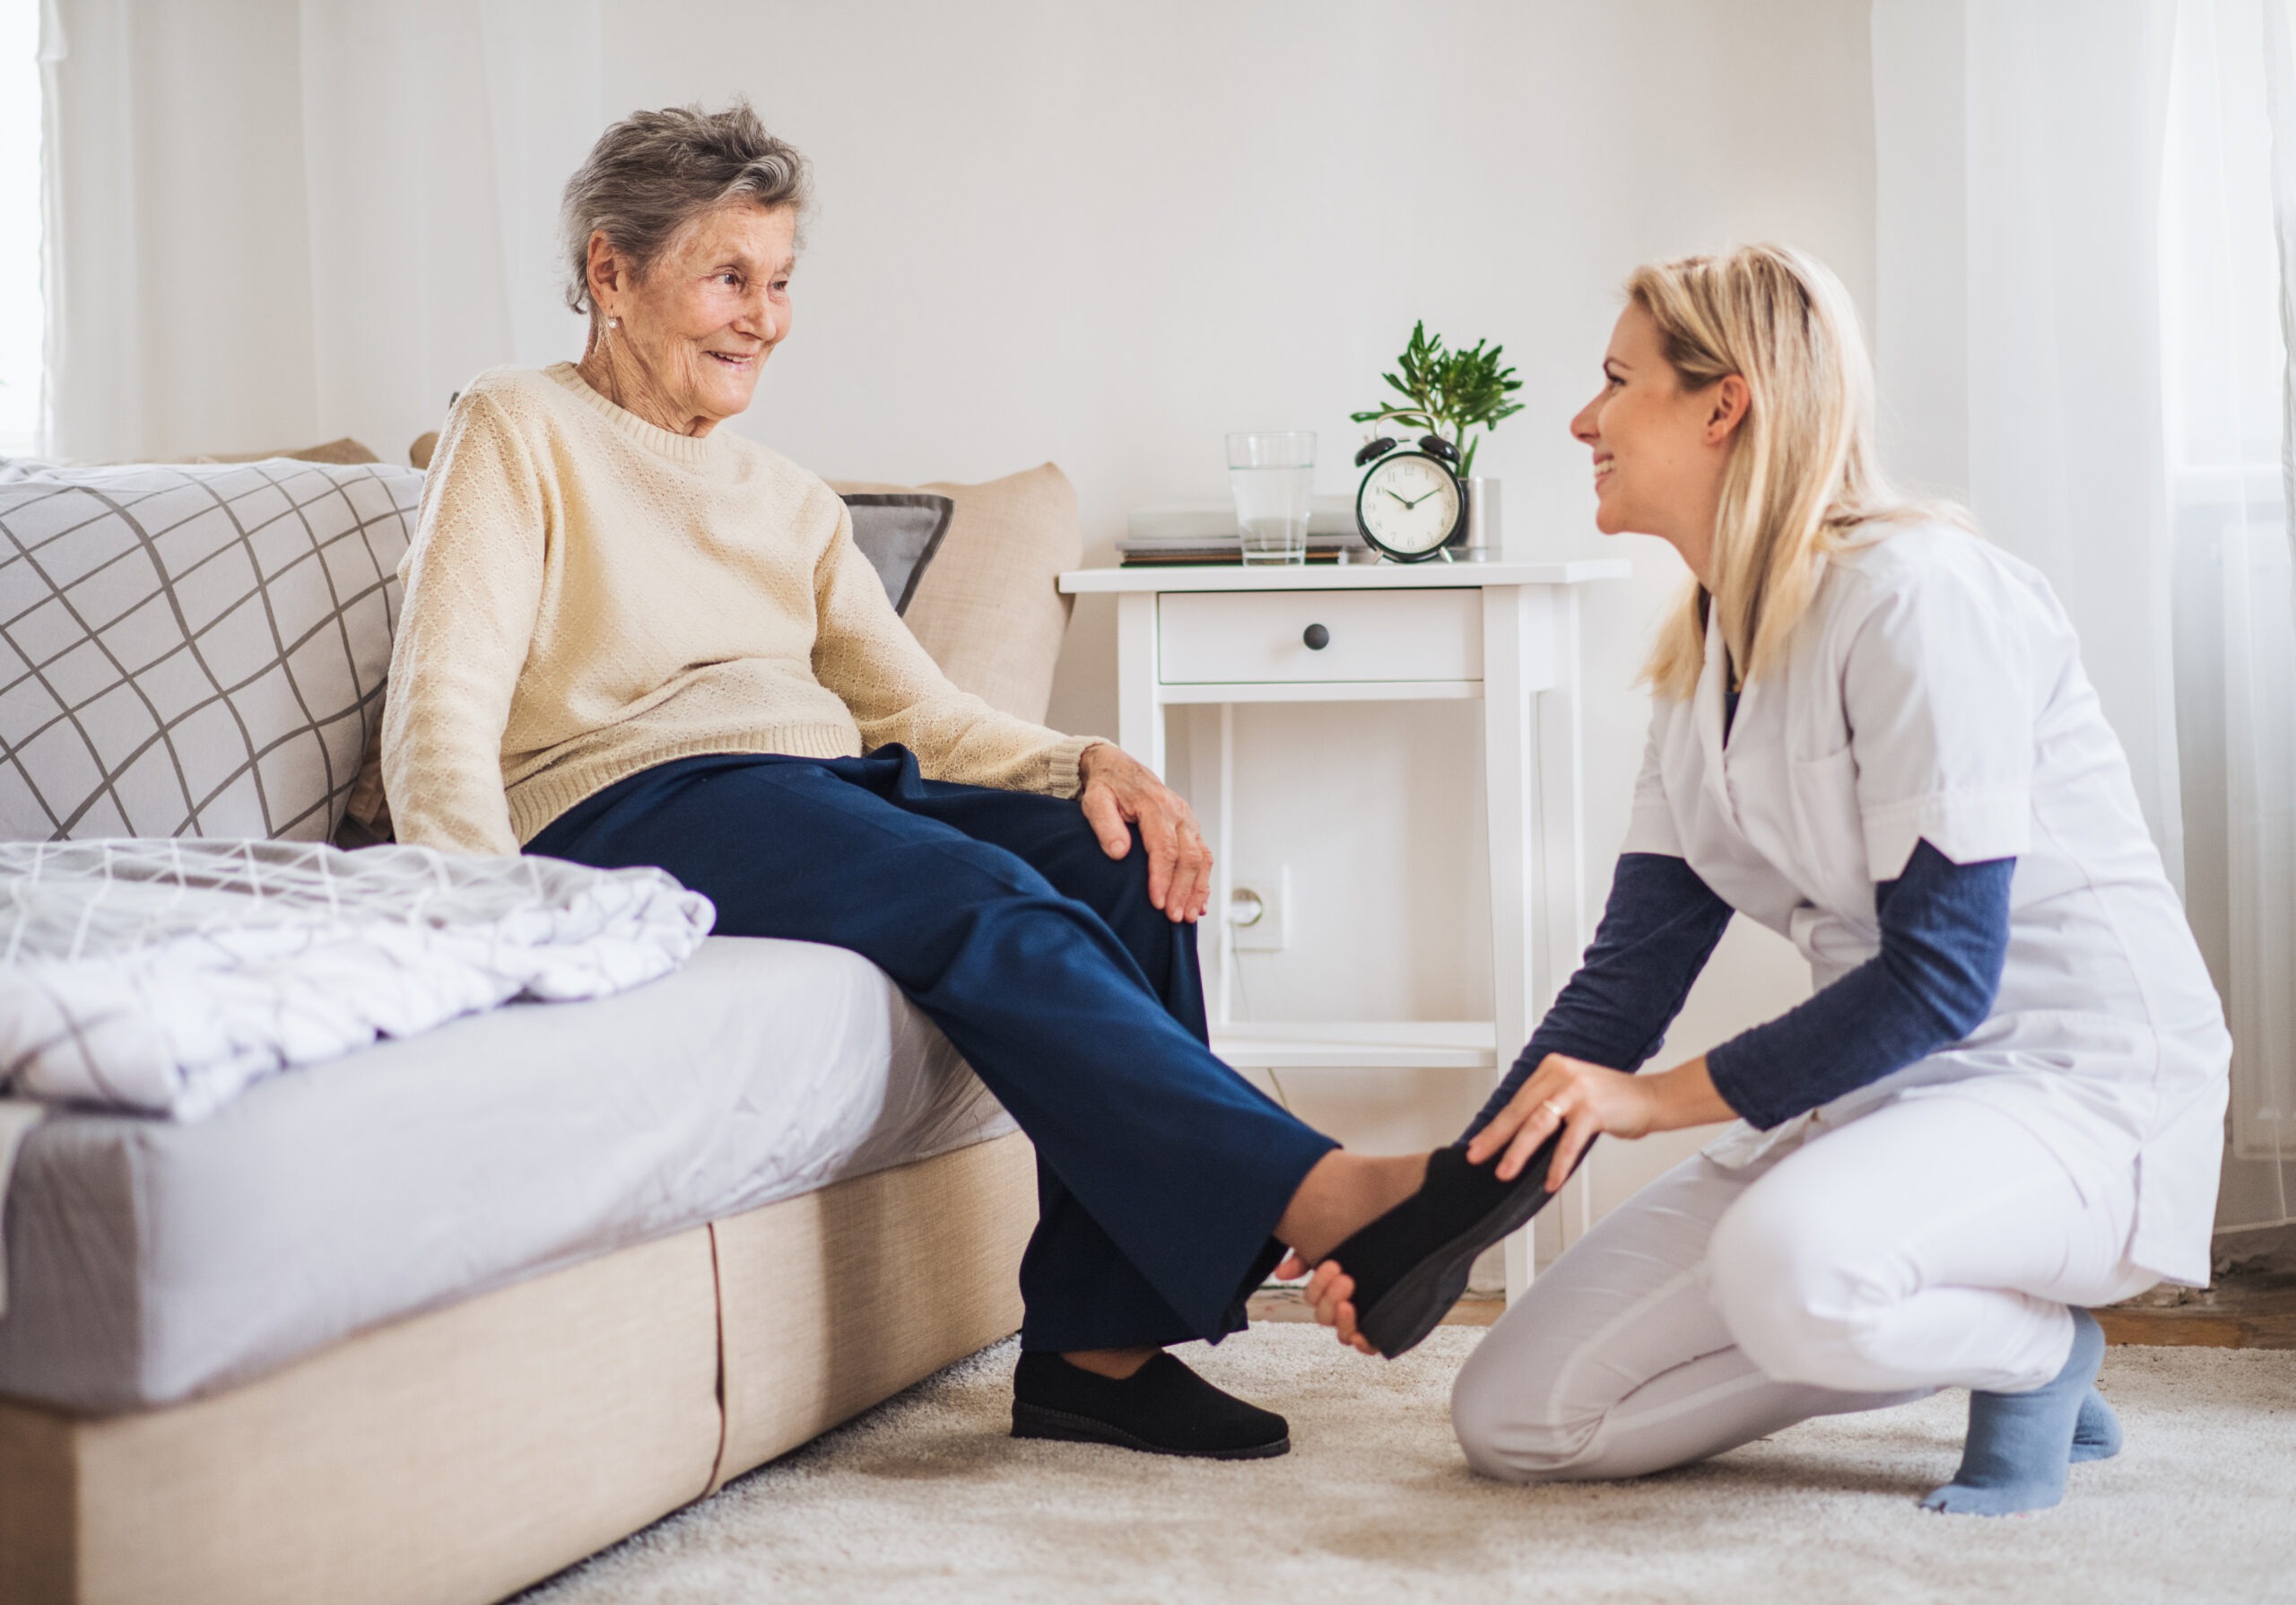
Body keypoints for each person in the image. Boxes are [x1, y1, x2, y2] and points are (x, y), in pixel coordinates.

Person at [381, 100, 1558, 1461]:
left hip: (812, 788)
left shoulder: (788, 498)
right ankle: (1324, 1189)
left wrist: (1088, 763)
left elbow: (918, 712)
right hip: (628, 803)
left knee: (1114, 855)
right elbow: (442, 697)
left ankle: (1095, 1353)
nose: (762, 317)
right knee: (977, 892)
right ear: (610, 275)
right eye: (727, 278)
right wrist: (482, 915)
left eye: (779, 284)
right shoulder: (517, 425)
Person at [1298, 244, 2231, 1514]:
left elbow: (1942, 976)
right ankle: (1921, 1308)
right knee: (1516, 1416)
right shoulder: (1702, 661)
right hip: (1878, 1104)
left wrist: (1652, 1104)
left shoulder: (1918, 600)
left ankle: (2037, 1352)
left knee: (1794, 1267)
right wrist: (1431, 1228)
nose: (1584, 419)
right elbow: (1615, 1000)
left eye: (1618, 381)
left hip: (2071, 1090)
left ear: (1722, 403)